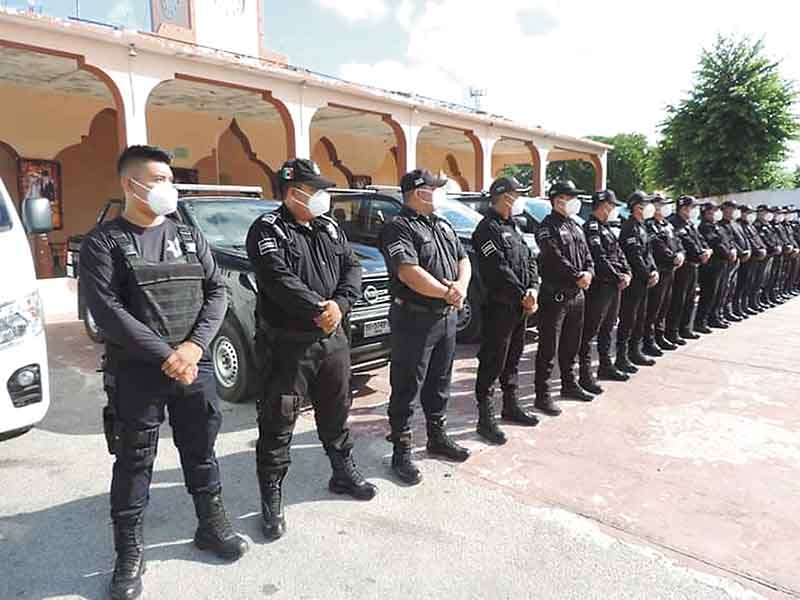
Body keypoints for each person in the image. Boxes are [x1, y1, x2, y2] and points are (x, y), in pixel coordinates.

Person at [80, 145, 248, 600]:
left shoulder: (187, 234)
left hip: (194, 367)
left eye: (170, 178)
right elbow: (108, 312)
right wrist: (166, 355)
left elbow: (217, 292)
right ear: (129, 185)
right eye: (157, 179)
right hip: (138, 373)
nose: (166, 187)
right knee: (134, 462)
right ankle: (129, 554)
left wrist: (192, 348)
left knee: (202, 451)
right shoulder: (104, 242)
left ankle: (211, 527)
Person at [246, 159, 377, 541]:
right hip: (288, 346)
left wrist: (340, 305)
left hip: (333, 340)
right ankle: (271, 497)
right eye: (314, 189)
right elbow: (277, 279)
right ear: (292, 192)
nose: (322, 195)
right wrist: (319, 309)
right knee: (278, 421)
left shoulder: (329, 226)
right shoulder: (268, 229)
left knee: (336, 410)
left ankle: (342, 472)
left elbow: (352, 268)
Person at [379, 169, 472, 485]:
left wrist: (459, 286)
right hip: (414, 319)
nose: (440, 193)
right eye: (436, 188)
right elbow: (408, 272)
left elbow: (464, 259)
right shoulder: (397, 227)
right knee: (407, 385)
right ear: (419, 192)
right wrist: (448, 292)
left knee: (440, 380)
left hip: (445, 316)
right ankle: (401, 453)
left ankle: (436, 436)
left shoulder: (442, 225)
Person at [472, 176, 541, 445]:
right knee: (492, 362)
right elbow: (498, 270)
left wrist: (533, 288)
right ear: (504, 197)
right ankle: (485, 419)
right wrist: (522, 294)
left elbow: (529, 260)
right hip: (499, 308)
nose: (519, 199)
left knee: (513, 358)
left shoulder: (513, 226)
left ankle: (510, 406)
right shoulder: (486, 229)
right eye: (516, 194)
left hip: (520, 307)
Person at [534, 180, 595, 415]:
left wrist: (588, 272)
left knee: (572, 344)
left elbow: (587, 253)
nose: (574, 202)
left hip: (577, 295)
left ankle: (569, 385)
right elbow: (553, 256)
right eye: (569, 198)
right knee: (548, 347)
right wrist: (576, 275)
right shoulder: (546, 227)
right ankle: (543, 395)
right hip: (556, 295)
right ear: (558, 200)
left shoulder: (575, 225)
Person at [578, 189, 631, 391]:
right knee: (590, 331)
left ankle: (605, 366)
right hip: (601, 287)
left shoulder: (606, 228)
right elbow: (599, 258)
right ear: (603, 205)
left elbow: (619, 253)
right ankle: (584, 375)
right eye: (611, 205)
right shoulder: (591, 228)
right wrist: (618, 276)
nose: (613, 209)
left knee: (608, 328)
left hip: (614, 286)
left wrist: (626, 273)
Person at [616, 191, 659, 371]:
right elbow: (634, 256)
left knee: (640, 318)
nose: (648, 207)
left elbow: (648, 254)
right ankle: (622, 357)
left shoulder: (642, 226)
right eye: (644, 204)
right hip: (634, 281)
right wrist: (647, 274)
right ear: (636, 207)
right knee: (628, 319)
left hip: (643, 280)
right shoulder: (629, 227)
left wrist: (654, 270)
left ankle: (635, 351)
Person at [642, 195, 684, 355]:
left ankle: (660, 336)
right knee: (653, 308)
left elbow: (677, 243)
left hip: (670, 271)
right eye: (660, 205)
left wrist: (680, 254)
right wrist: (673, 257)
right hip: (659, 269)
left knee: (664, 305)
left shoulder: (667, 224)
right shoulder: (649, 225)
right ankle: (648, 340)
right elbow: (657, 246)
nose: (663, 208)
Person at [666, 196, 712, 342]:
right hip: (683, 267)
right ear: (683, 208)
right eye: (691, 208)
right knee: (678, 300)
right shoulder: (673, 222)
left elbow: (699, 239)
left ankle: (685, 328)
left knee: (690, 299)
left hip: (694, 265)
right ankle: (672, 332)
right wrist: (699, 254)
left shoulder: (690, 223)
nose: (693, 211)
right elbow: (684, 243)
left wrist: (706, 250)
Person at [696, 202, 736, 330]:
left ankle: (715, 316)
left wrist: (732, 249)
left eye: (714, 211)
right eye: (710, 212)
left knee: (720, 292)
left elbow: (727, 240)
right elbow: (715, 243)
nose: (713, 214)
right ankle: (701, 321)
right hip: (712, 265)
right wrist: (728, 253)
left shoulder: (717, 226)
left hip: (722, 263)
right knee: (709, 294)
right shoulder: (705, 227)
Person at [718, 201, 750, 321]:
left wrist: (747, 251)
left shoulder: (736, 224)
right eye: (731, 208)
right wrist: (741, 252)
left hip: (738, 259)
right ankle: (721, 312)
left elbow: (744, 239)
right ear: (725, 209)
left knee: (732, 286)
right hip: (729, 259)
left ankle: (728, 310)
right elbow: (730, 241)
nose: (733, 211)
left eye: (735, 208)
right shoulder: (721, 224)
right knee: (725, 287)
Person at [736, 205, 768, 315]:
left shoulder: (749, 225)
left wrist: (762, 248)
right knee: (742, 284)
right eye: (747, 213)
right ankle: (738, 306)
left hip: (754, 257)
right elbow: (745, 241)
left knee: (752, 282)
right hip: (747, 258)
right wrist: (755, 250)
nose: (750, 215)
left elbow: (756, 239)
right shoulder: (738, 225)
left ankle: (747, 304)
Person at [753, 205, 782, 308]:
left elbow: (775, 238)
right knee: (758, 279)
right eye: (765, 212)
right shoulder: (757, 225)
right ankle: (754, 301)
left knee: (767, 278)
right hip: (763, 255)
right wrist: (772, 248)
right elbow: (762, 240)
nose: (767, 214)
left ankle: (762, 299)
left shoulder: (768, 225)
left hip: (770, 255)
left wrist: (777, 246)